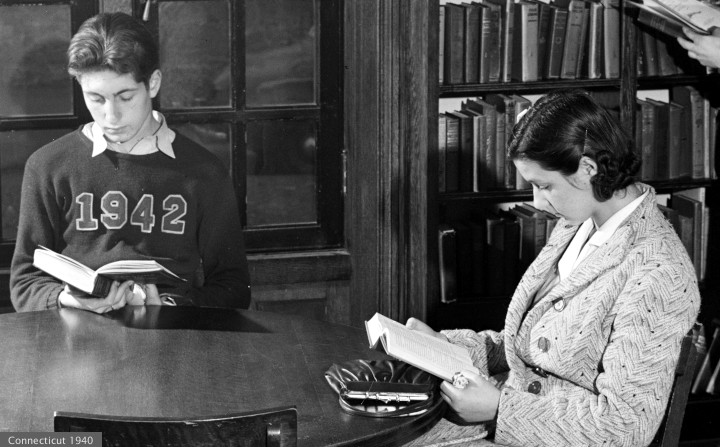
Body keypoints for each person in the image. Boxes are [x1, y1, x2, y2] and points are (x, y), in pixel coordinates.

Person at [407, 89, 701, 446]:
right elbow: (537, 346)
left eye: (544, 186)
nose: (537, 202)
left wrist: (500, 409)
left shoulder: (658, 271)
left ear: (588, 169)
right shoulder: (579, 222)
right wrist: (444, 347)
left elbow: (625, 427)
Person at [10, 12, 250, 313]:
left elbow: (234, 287)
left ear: (153, 83)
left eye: (125, 97)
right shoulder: (48, 166)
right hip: (75, 332)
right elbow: (24, 282)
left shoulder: (204, 172)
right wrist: (69, 300)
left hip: (173, 333)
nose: (111, 116)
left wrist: (173, 305)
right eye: (96, 99)